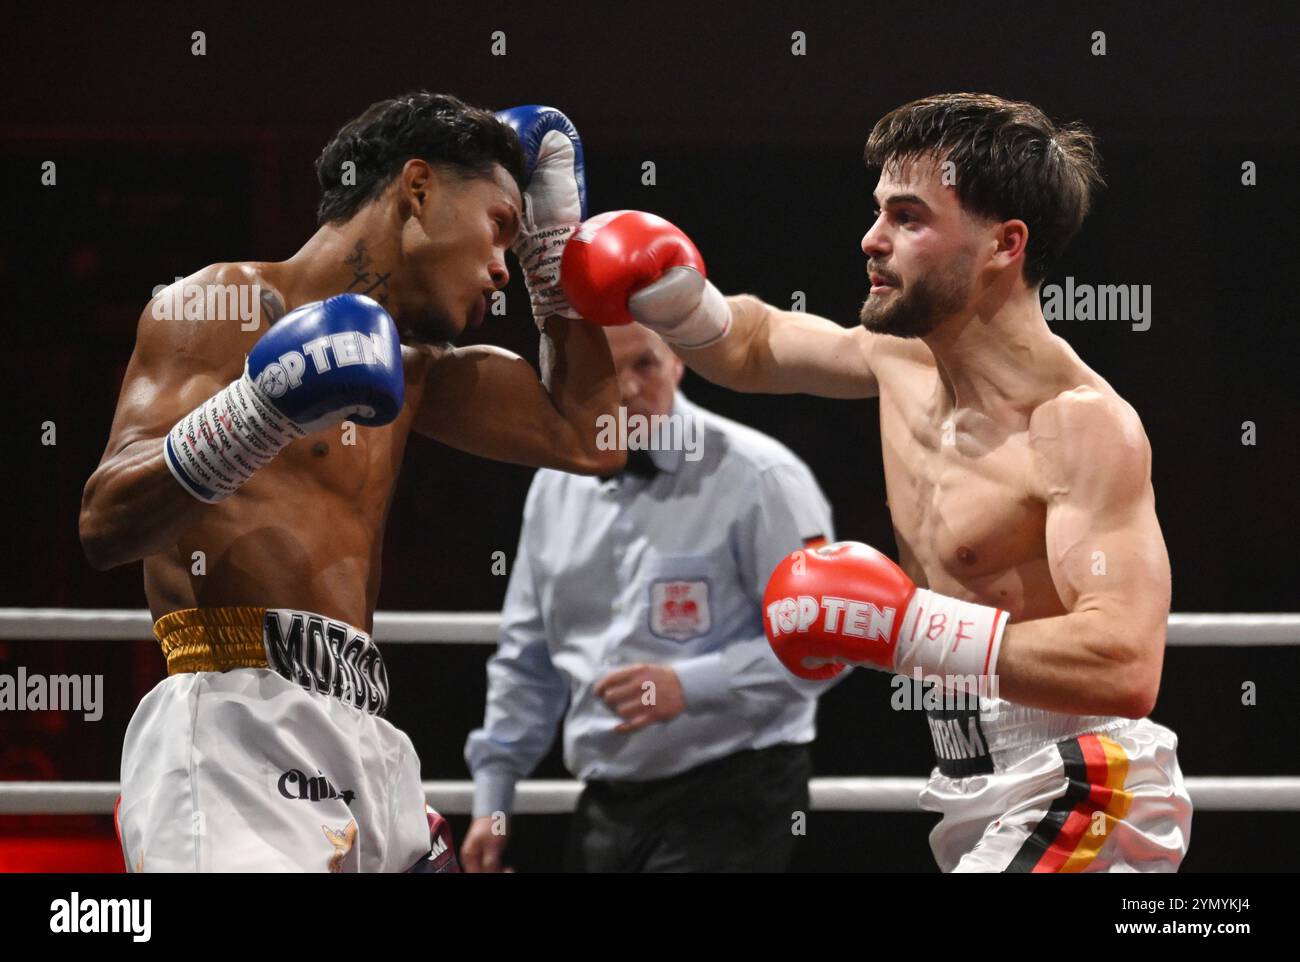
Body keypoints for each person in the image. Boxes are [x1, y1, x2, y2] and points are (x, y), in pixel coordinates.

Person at [561, 93, 1192, 872]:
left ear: (1005, 243)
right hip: (973, 781)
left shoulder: (1079, 426)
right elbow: (755, 345)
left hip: (1087, 781)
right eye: (877, 213)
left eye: (908, 218)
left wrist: (901, 628)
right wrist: (671, 296)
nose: (872, 239)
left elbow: (1127, 664)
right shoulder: (897, 361)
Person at [79, 93, 623, 872]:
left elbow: (591, 437)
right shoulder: (221, 307)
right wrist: (259, 410)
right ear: (418, 188)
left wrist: (554, 248)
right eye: (502, 227)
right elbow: (104, 524)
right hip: (235, 729)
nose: (504, 267)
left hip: (364, 732)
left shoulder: (412, 372)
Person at [461, 322, 837, 872]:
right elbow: (527, 658)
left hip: (730, 794)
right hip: (605, 800)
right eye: (607, 372)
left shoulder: (761, 477)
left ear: (680, 361)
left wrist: (692, 685)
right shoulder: (553, 487)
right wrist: (492, 801)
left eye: (645, 364)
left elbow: (826, 644)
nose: (630, 390)